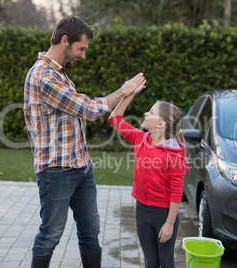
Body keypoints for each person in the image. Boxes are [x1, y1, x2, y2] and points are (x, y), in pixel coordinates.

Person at [23, 16, 146, 268]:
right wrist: (122, 90)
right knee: (50, 235)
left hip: (81, 167)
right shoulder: (43, 76)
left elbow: (81, 112)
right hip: (56, 171)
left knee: (90, 232)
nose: (83, 55)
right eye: (81, 49)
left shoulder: (60, 74)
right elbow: (88, 109)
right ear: (65, 41)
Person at [108, 88, 189, 267]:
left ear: (161, 124)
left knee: (166, 262)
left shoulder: (174, 155)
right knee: (150, 262)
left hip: (164, 214)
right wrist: (129, 94)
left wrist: (169, 224)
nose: (145, 113)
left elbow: (176, 193)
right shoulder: (140, 138)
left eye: (151, 112)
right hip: (142, 212)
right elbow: (114, 119)